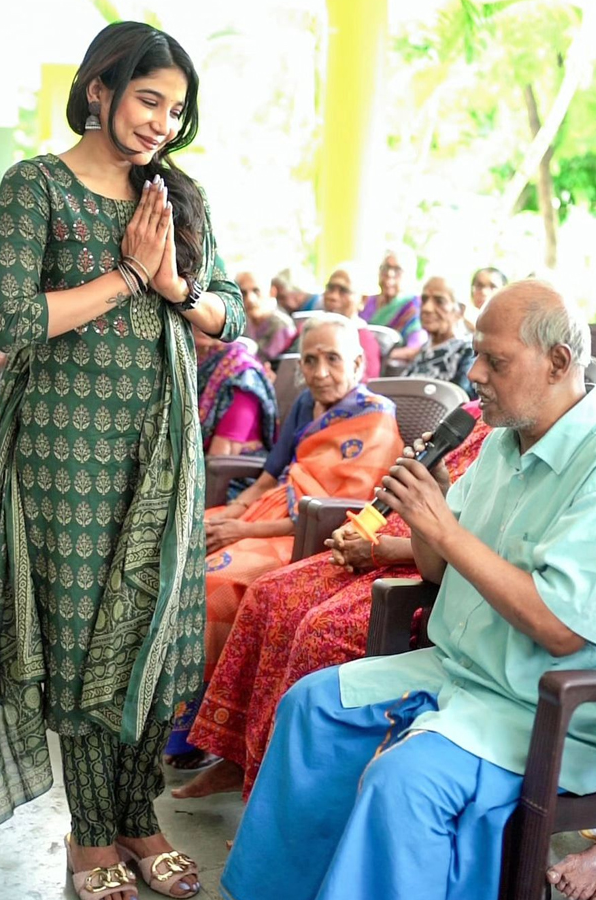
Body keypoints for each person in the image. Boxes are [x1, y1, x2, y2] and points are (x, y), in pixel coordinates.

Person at [218, 280, 596, 900]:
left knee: (405, 781)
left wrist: (444, 527)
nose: (474, 373)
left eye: (494, 361)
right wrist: (430, 508)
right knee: (310, 707)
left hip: (536, 707)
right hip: (458, 670)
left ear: (558, 362)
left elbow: (559, 627)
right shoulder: (501, 444)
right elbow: (440, 570)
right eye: (476, 354)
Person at [0, 21, 245, 900]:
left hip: (164, 445)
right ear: (98, 88)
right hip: (65, 452)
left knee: (155, 630)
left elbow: (231, 311)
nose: (161, 124)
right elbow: (8, 322)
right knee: (82, 637)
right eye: (148, 100)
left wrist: (175, 286)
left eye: (176, 110)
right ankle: (91, 837)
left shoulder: (179, 195)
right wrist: (128, 281)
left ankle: (142, 818)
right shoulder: (35, 188)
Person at [170, 404, 490, 801]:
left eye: (493, 362)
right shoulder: (470, 419)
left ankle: (284, 799)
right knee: (268, 595)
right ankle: (241, 759)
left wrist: (385, 548)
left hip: (419, 568)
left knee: (322, 630)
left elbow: (473, 544)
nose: (478, 374)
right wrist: (359, 530)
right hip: (382, 542)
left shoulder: (524, 439)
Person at [165, 314, 403, 762]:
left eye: (333, 359)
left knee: (213, 583)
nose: (320, 371)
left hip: (308, 535)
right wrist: (230, 512)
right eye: (310, 360)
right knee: (175, 546)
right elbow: (269, 477)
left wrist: (243, 529)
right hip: (267, 511)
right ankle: (154, 710)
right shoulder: (303, 406)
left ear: (357, 364)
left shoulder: (375, 418)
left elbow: (345, 513)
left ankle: (199, 733)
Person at [195, 330, 278, 466]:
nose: (199, 324)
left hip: (231, 476)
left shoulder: (242, 374)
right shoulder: (187, 360)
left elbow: (220, 458)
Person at [286, 263, 381, 380]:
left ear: (363, 300)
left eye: (343, 291)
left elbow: (364, 386)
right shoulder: (308, 328)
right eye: (330, 288)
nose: (333, 296)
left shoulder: (364, 341)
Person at [401, 275, 476, 397]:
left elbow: (462, 401)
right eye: (424, 300)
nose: (427, 308)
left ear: (460, 311)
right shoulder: (425, 349)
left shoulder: (468, 351)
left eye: (439, 301)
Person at [361, 249, 426, 362]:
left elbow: (415, 349)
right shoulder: (366, 302)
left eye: (397, 270)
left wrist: (376, 354)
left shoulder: (413, 308)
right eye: (385, 268)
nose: (390, 274)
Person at [238, 269, 296, 364]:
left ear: (272, 292)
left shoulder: (281, 326)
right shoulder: (241, 323)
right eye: (243, 293)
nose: (250, 299)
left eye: (256, 291)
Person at [463, 266, 508, 332]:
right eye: (479, 286)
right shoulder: (459, 324)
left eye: (493, 287)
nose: (484, 292)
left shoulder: (510, 324)